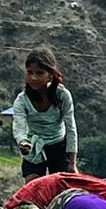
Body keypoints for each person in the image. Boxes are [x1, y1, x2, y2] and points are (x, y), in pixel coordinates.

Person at [10, 47, 78, 178]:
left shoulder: (62, 95)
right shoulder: (22, 100)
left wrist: (72, 163)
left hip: (58, 146)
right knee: (33, 191)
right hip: (34, 147)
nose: (33, 78)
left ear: (50, 76)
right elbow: (19, 127)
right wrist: (23, 142)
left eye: (39, 73)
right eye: (30, 72)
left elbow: (71, 128)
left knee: (62, 188)